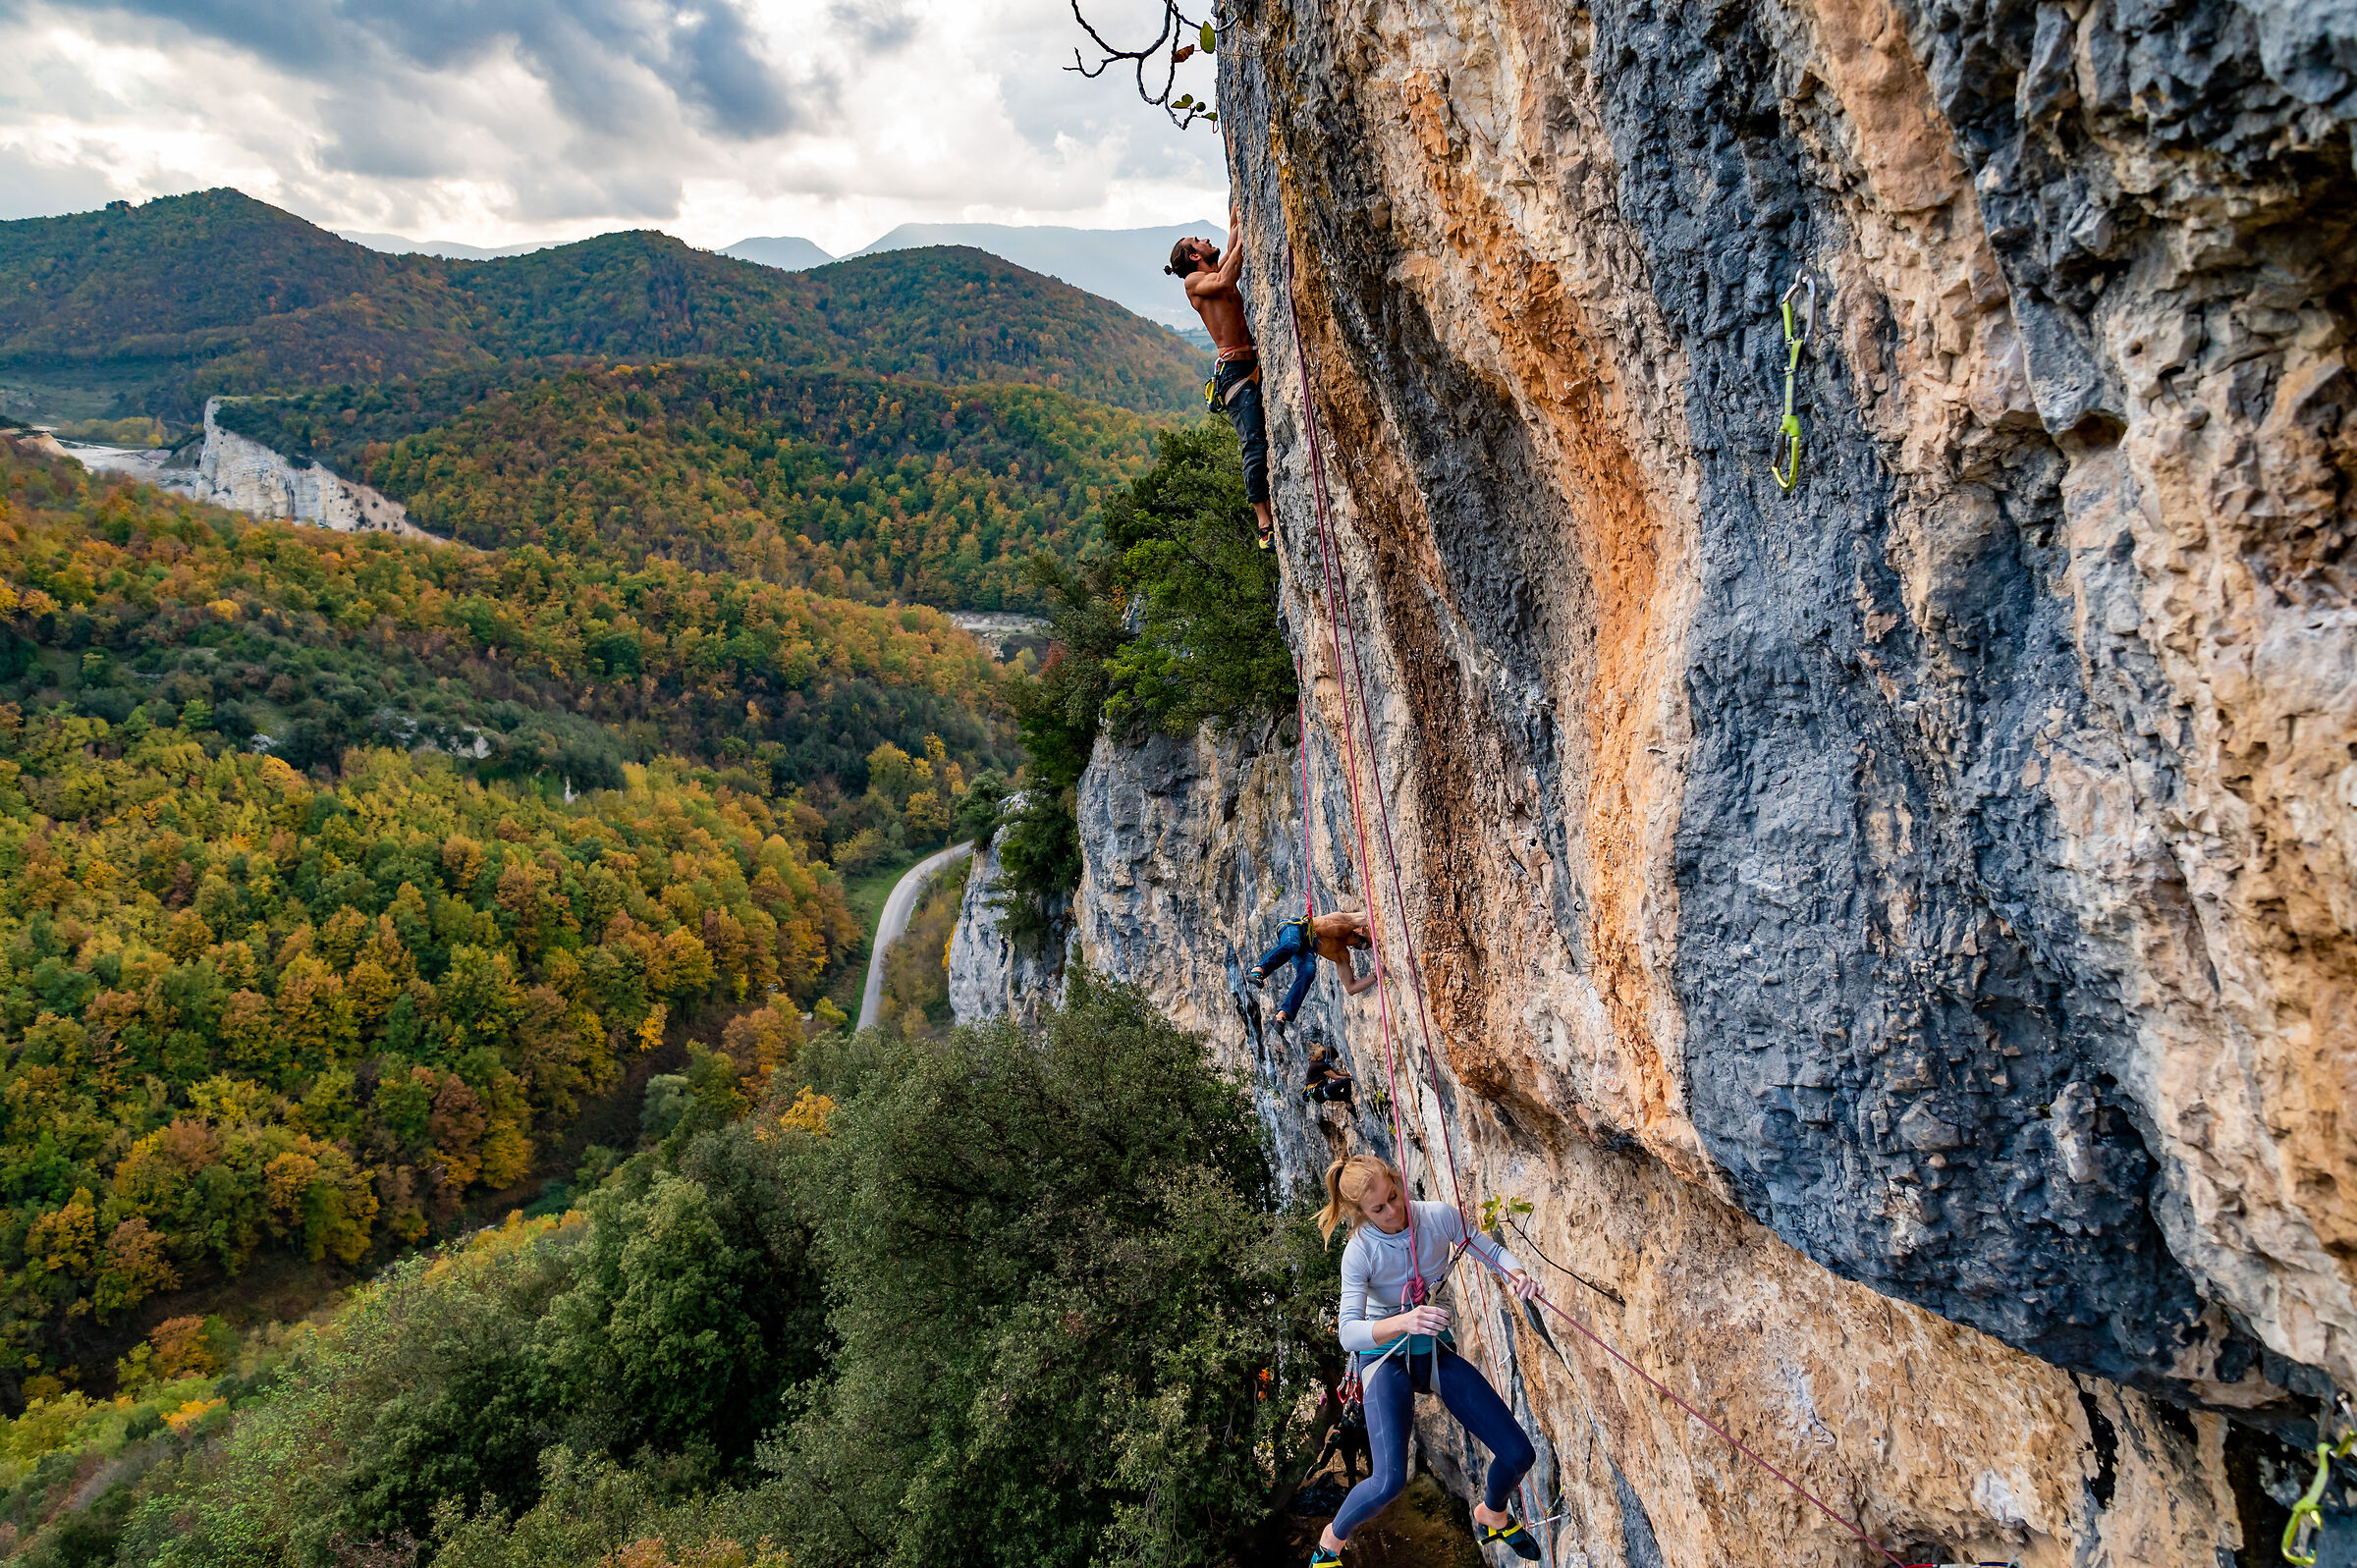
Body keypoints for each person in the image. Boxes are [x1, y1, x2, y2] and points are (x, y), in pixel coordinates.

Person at [1309, 1156, 1543, 1566]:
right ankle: (1330, 1542)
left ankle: (1492, 1514)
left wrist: (1517, 1273)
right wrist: (1405, 1320)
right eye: (1378, 1208)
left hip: (1432, 1352)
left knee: (1519, 1453)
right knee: (1388, 1483)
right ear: (1361, 1213)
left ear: (1398, 1182)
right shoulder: (1360, 1251)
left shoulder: (1436, 1218)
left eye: (1394, 1196)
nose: (1393, 1211)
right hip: (1384, 1359)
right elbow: (1348, 1333)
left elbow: (1488, 1250)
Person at [1166, 204, 1274, 548]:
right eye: (1198, 240)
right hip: (1234, 374)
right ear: (1193, 256)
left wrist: (1239, 216)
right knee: (1254, 442)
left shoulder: (1211, 271)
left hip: (1249, 364)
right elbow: (1228, 276)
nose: (1205, 240)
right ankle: (1264, 523)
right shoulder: (1194, 282)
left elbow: (1230, 249)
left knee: (1263, 438)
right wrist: (1246, 236)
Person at [1249, 910, 1377, 1025]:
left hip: (1307, 948)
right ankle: (1259, 970)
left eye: (1357, 945)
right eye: (1358, 939)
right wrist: (1374, 924)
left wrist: (1379, 974)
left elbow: (1351, 988)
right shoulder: (1344, 921)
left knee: (1309, 971)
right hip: (1295, 928)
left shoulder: (1340, 954)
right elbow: (1365, 917)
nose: (1354, 942)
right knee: (1292, 944)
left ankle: (1283, 1014)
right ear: (1361, 930)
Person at [1302, 1043, 1356, 1108]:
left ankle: (1350, 1106)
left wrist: (1351, 1074)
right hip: (1321, 1091)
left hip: (1320, 1095)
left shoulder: (1318, 1064)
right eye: (1333, 1059)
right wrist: (1350, 1078)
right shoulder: (1321, 1065)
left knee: (1346, 1097)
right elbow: (1336, 1077)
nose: (1332, 1062)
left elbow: (1338, 1073)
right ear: (1329, 1057)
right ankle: (1348, 1103)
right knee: (1346, 1080)